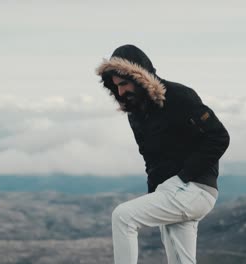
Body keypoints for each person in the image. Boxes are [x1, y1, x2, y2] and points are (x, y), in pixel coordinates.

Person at [96, 44, 230, 264]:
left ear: (139, 76)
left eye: (123, 84)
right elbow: (152, 162)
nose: (120, 92)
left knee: (123, 217)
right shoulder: (136, 115)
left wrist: (183, 177)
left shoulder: (179, 96)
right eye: (115, 87)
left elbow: (219, 137)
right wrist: (156, 194)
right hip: (171, 191)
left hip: (193, 187)